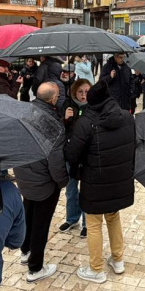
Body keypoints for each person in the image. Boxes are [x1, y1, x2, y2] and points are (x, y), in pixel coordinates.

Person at [64, 80, 136, 283]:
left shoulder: (86, 122)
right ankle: (118, 260)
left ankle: (96, 269)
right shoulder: (127, 117)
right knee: (113, 216)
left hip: (94, 180)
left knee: (94, 223)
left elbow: (72, 154)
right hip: (119, 178)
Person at [15, 83, 70, 282]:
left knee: (28, 214)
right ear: (53, 99)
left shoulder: (23, 114)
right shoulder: (52, 124)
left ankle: (25, 250)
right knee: (41, 224)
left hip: (24, 176)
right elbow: (55, 161)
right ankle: (35, 268)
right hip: (44, 182)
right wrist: (63, 181)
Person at [60, 78, 91, 237]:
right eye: (80, 92)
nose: (83, 95)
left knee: (86, 191)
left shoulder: (93, 107)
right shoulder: (67, 105)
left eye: (87, 91)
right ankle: (72, 218)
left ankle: (87, 223)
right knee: (71, 190)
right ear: (74, 92)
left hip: (87, 156)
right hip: (71, 155)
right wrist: (65, 119)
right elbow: (60, 130)